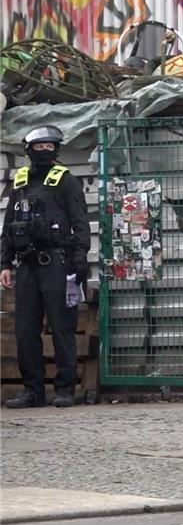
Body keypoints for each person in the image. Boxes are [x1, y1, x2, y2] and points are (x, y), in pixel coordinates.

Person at [1, 125, 90, 408]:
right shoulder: (21, 180)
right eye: (39, 147)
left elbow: (80, 222)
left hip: (57, 263)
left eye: (49, 146)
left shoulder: (66, 181)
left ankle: (65, 389)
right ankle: (33, 391)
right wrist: (4, 262)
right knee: (25, 330)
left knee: (62, 328)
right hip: (26, 265)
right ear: (29, 151)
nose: (44, 151)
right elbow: (7, 226)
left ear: (56, 150)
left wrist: (79, 259)